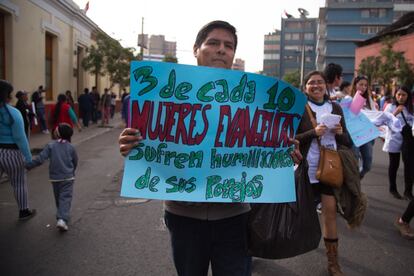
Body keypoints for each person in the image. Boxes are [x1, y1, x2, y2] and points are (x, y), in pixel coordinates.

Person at [118, 20, 302, 276]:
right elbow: (147, 142)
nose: (221, 50)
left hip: (235, 216)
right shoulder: (164, 93)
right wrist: (131, 145)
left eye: (228, 46)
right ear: (196, 49)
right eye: (213, 43)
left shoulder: (257, 99)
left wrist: (285, 156)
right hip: (183, 216)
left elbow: (270, 146)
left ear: (233, 55)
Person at [296, 71, 352, 276]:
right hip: (305, 169)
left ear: (325, 86)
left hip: (329, 169)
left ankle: (333, 263)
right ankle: (264, 246)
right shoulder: (300, 108)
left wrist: (340, 133)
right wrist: (314, 133)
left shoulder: (335, 107)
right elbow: (290, 137)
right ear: (305, 88)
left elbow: (347, 141)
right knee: (296, 215)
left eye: (319, 82)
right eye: (311, 83)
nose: (316, 85)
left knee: (329, 212)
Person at [26, 123, 78, 231]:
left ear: (57, 134)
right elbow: (75, 161)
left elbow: (40, 159)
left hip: (55, 178)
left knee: (59, 197)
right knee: (65, 198)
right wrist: (72, 171)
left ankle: (62, 216)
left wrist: (28, 165)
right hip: (68, 177)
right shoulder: (71, 147)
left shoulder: (51, 145)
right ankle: (62, 219)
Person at [0, 80, 36, 220]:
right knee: (19, 182)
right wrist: (28, 158)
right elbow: (20, 138)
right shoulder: (13, 113)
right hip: (12, 153)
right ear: (7, 95)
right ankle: (23, 211)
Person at [383, 86, 414, 200]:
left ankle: (408, 191)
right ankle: (393, 189)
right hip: (394, 139)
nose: (401, 97)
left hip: (408, 140)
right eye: (398, 94)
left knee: (409, 166)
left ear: (408, 96)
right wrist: (395, 112)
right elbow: (384, 122)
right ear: (395, 95)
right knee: (394, 165)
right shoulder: (390, 107)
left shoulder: (411, 108)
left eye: (404, 95)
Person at [351, 75, 378, 179]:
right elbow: (348, 116)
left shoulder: (369, 100)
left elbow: (374, 116)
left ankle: (359, 177)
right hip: (354, 135)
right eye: (361, 84)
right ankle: (354, 185)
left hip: (367, 135)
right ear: (355, 85)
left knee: (367, 164)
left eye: (365, 85)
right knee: (354, 162)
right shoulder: (349, 98)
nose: (363, 87)